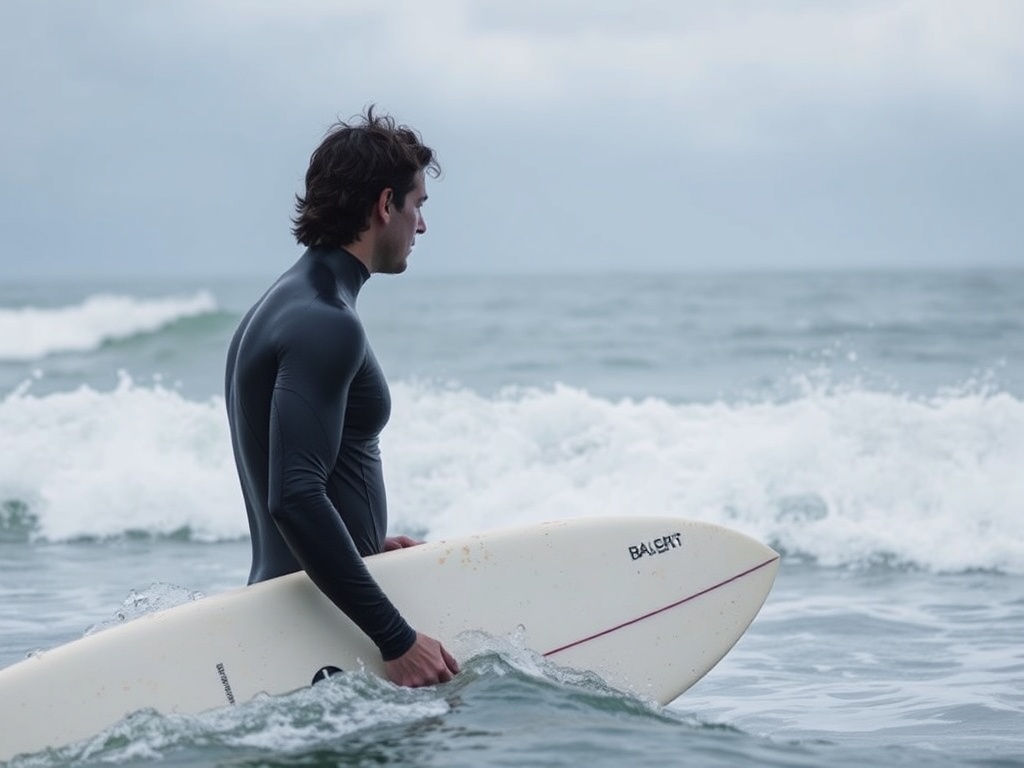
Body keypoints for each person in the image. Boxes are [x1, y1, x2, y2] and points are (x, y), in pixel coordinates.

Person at [224, 107, 459, 687]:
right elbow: (295, 497)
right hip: (312, 635)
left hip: (302, 608)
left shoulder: (285, 305)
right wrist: (398, 640)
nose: (421, 226)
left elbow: (296, 474)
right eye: (418, 205)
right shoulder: (325, 321)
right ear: (385, 205)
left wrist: (361, 542)